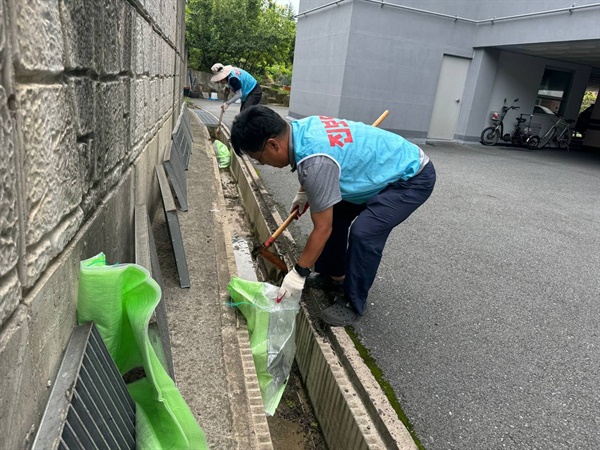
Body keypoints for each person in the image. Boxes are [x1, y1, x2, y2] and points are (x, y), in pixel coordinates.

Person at [230, 105, 436, 326]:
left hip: (410, 177)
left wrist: (299, 273)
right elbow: (314, 164)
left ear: (273, 144)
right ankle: (333, 275)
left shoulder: (315, 162)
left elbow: (322, 227)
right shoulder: (299, 129)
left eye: (260, 159)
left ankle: (353, 301)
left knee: (364, 233)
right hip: (379, 168)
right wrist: (303, 193)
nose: (264, 164)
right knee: (335, 212)